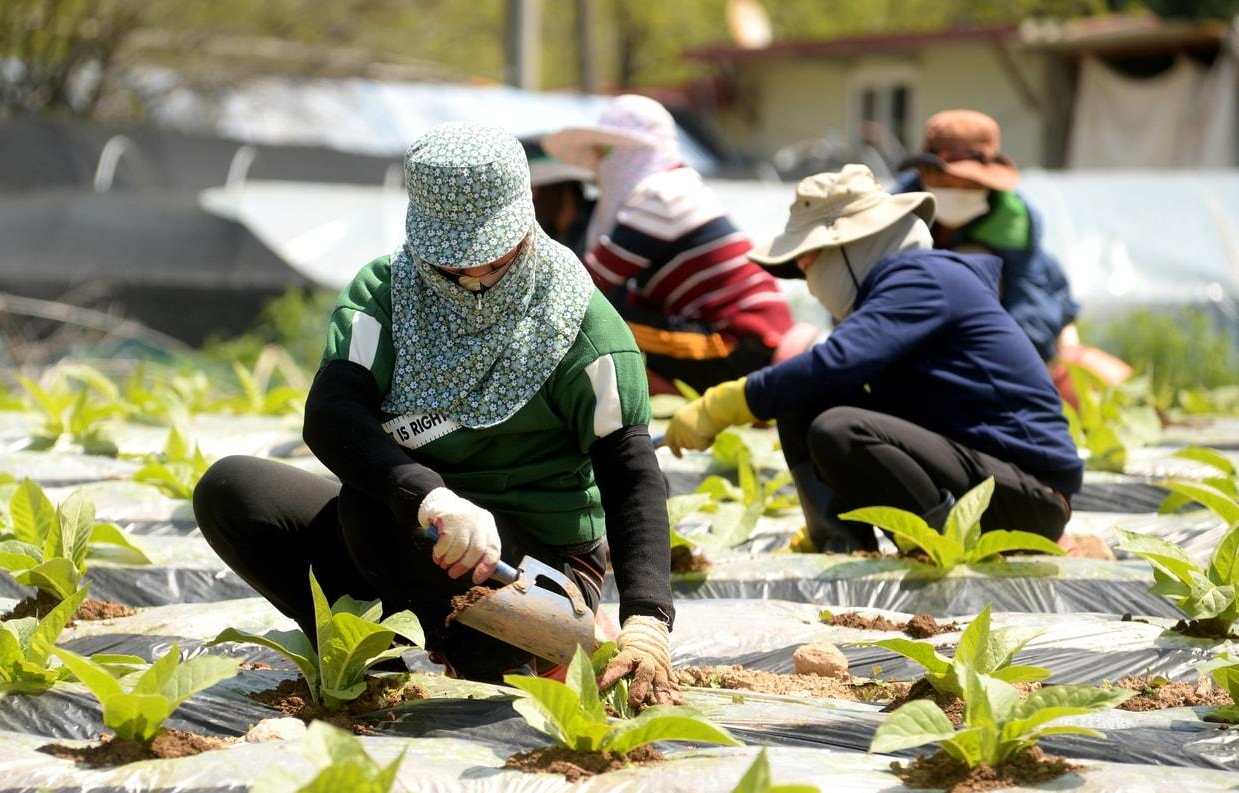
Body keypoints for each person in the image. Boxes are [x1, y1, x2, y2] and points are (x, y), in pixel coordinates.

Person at [194, 123, 679, 706]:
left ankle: (536, 654)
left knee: (376, 515)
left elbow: (630, 475)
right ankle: (375, 659)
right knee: (234, 490)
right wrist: (432, 496)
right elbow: (333, 411)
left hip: (528, 562)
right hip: (414, 520)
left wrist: (648, 618)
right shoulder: (387, 292)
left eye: (495, 260)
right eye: (455, 265)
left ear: (526, 226)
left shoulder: (584, 329)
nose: (476, 277)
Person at [663, 165, 1083, 553]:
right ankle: (840, 542)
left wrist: (728, 403)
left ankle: (936, 544)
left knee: (839, 428)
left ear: (849, 246)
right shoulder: (912, 282)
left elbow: (836, 362)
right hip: (987, 474)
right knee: (804, 399)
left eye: (809, 265)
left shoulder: (922, 279)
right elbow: (819, 378)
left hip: (1030, 495)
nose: (811, 285)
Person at [543, 94, 797, 394]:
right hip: (742, 337)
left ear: (631, 151)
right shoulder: (677, 189)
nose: (599, 166)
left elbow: (586, 284)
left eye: (605, 151)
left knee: (598, 324)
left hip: (739, 343)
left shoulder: (661, 197)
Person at [893, 109, 1079, 364]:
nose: (958, 191)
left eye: (970, 184)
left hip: (995, 332)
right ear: (924, 173)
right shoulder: (896, 210)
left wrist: (1006, 360)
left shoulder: (1013, 219)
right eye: (948, 182)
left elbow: (1028, 303)